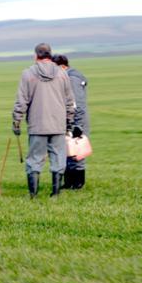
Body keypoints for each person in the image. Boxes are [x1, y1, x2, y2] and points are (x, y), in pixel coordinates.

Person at [13, 44, 75, 198]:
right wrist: (69, 121)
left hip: (37, 125)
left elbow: (22, 101)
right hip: (58, 124)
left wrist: (17, 121)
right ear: (50, 55)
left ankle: (33, 195)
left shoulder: (27, 74)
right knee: (58, 157)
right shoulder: (62, 73)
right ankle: (55, 193)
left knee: (34, 159)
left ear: (36, 55)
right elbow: (69, 100)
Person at [53, 54, 90, 189]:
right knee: (68, 151)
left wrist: (77, 125)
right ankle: (69, 183)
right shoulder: (66, 77)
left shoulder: (72, 79)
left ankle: (78, 183)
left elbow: (78, 104)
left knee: (77, 151)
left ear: (62, 66)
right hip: (69, 120)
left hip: (77, 120)